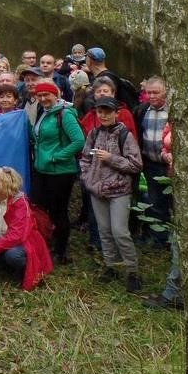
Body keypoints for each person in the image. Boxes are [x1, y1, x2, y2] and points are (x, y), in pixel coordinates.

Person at [79, 97, 143, 292]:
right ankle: (111, 266)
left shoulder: (125, 135)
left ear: (116, 113)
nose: (104, 115)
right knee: (104, 230)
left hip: (119, 191)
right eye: (100, 111)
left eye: (108, 111)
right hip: (97, 190)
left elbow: (136, 164)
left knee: (120, 231)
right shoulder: (93, 134)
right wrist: (87, 179)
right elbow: (84, 159)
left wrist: (111, 159)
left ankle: (132, 271)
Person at [28, 80, 84, 265]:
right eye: (40, 95)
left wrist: (57, 156)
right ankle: (44, 243)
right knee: (39, 209)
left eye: (47, 95)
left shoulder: (64, 114)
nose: (43, 98)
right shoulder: (41, 112)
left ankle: (60, 251)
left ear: (56, 95)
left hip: (60, 171)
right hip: (41, 170)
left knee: (58, 211)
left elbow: (78, 141)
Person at [134, 76, 171, 247]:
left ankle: (175, 239)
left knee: (173, 201)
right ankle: (159, 240)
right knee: (154, 202)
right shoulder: (142, 110)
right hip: (150, 164)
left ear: (165, 92)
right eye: (148, 92)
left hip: (170, 165)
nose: (152, 96)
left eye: (156, 92)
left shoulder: (172, 111)